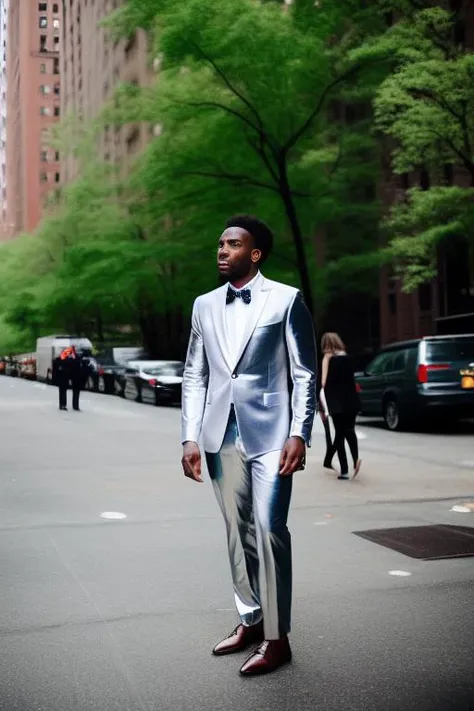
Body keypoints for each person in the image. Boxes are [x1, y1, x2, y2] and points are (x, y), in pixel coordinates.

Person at [181, 215, 317, 677]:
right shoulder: (203, 306)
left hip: (273, 437)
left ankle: (278, 640)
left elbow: (304, 373)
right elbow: (195, 375)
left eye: (233, 243)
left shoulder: (286, 299)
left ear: (255, 254)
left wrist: (300, 432)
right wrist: (190, 436)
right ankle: (251, 620)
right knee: (238, 534)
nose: (222, 249)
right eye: (220, 243)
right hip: (221, 436)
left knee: (268, 527)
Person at [320, 332, 361, 480]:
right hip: (352, 402)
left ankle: (343, 470)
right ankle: (356, 460)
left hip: (337, 403)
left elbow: (324, 383)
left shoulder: (328, 359)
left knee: (339, 434)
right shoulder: (348, 358)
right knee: (350, 430)